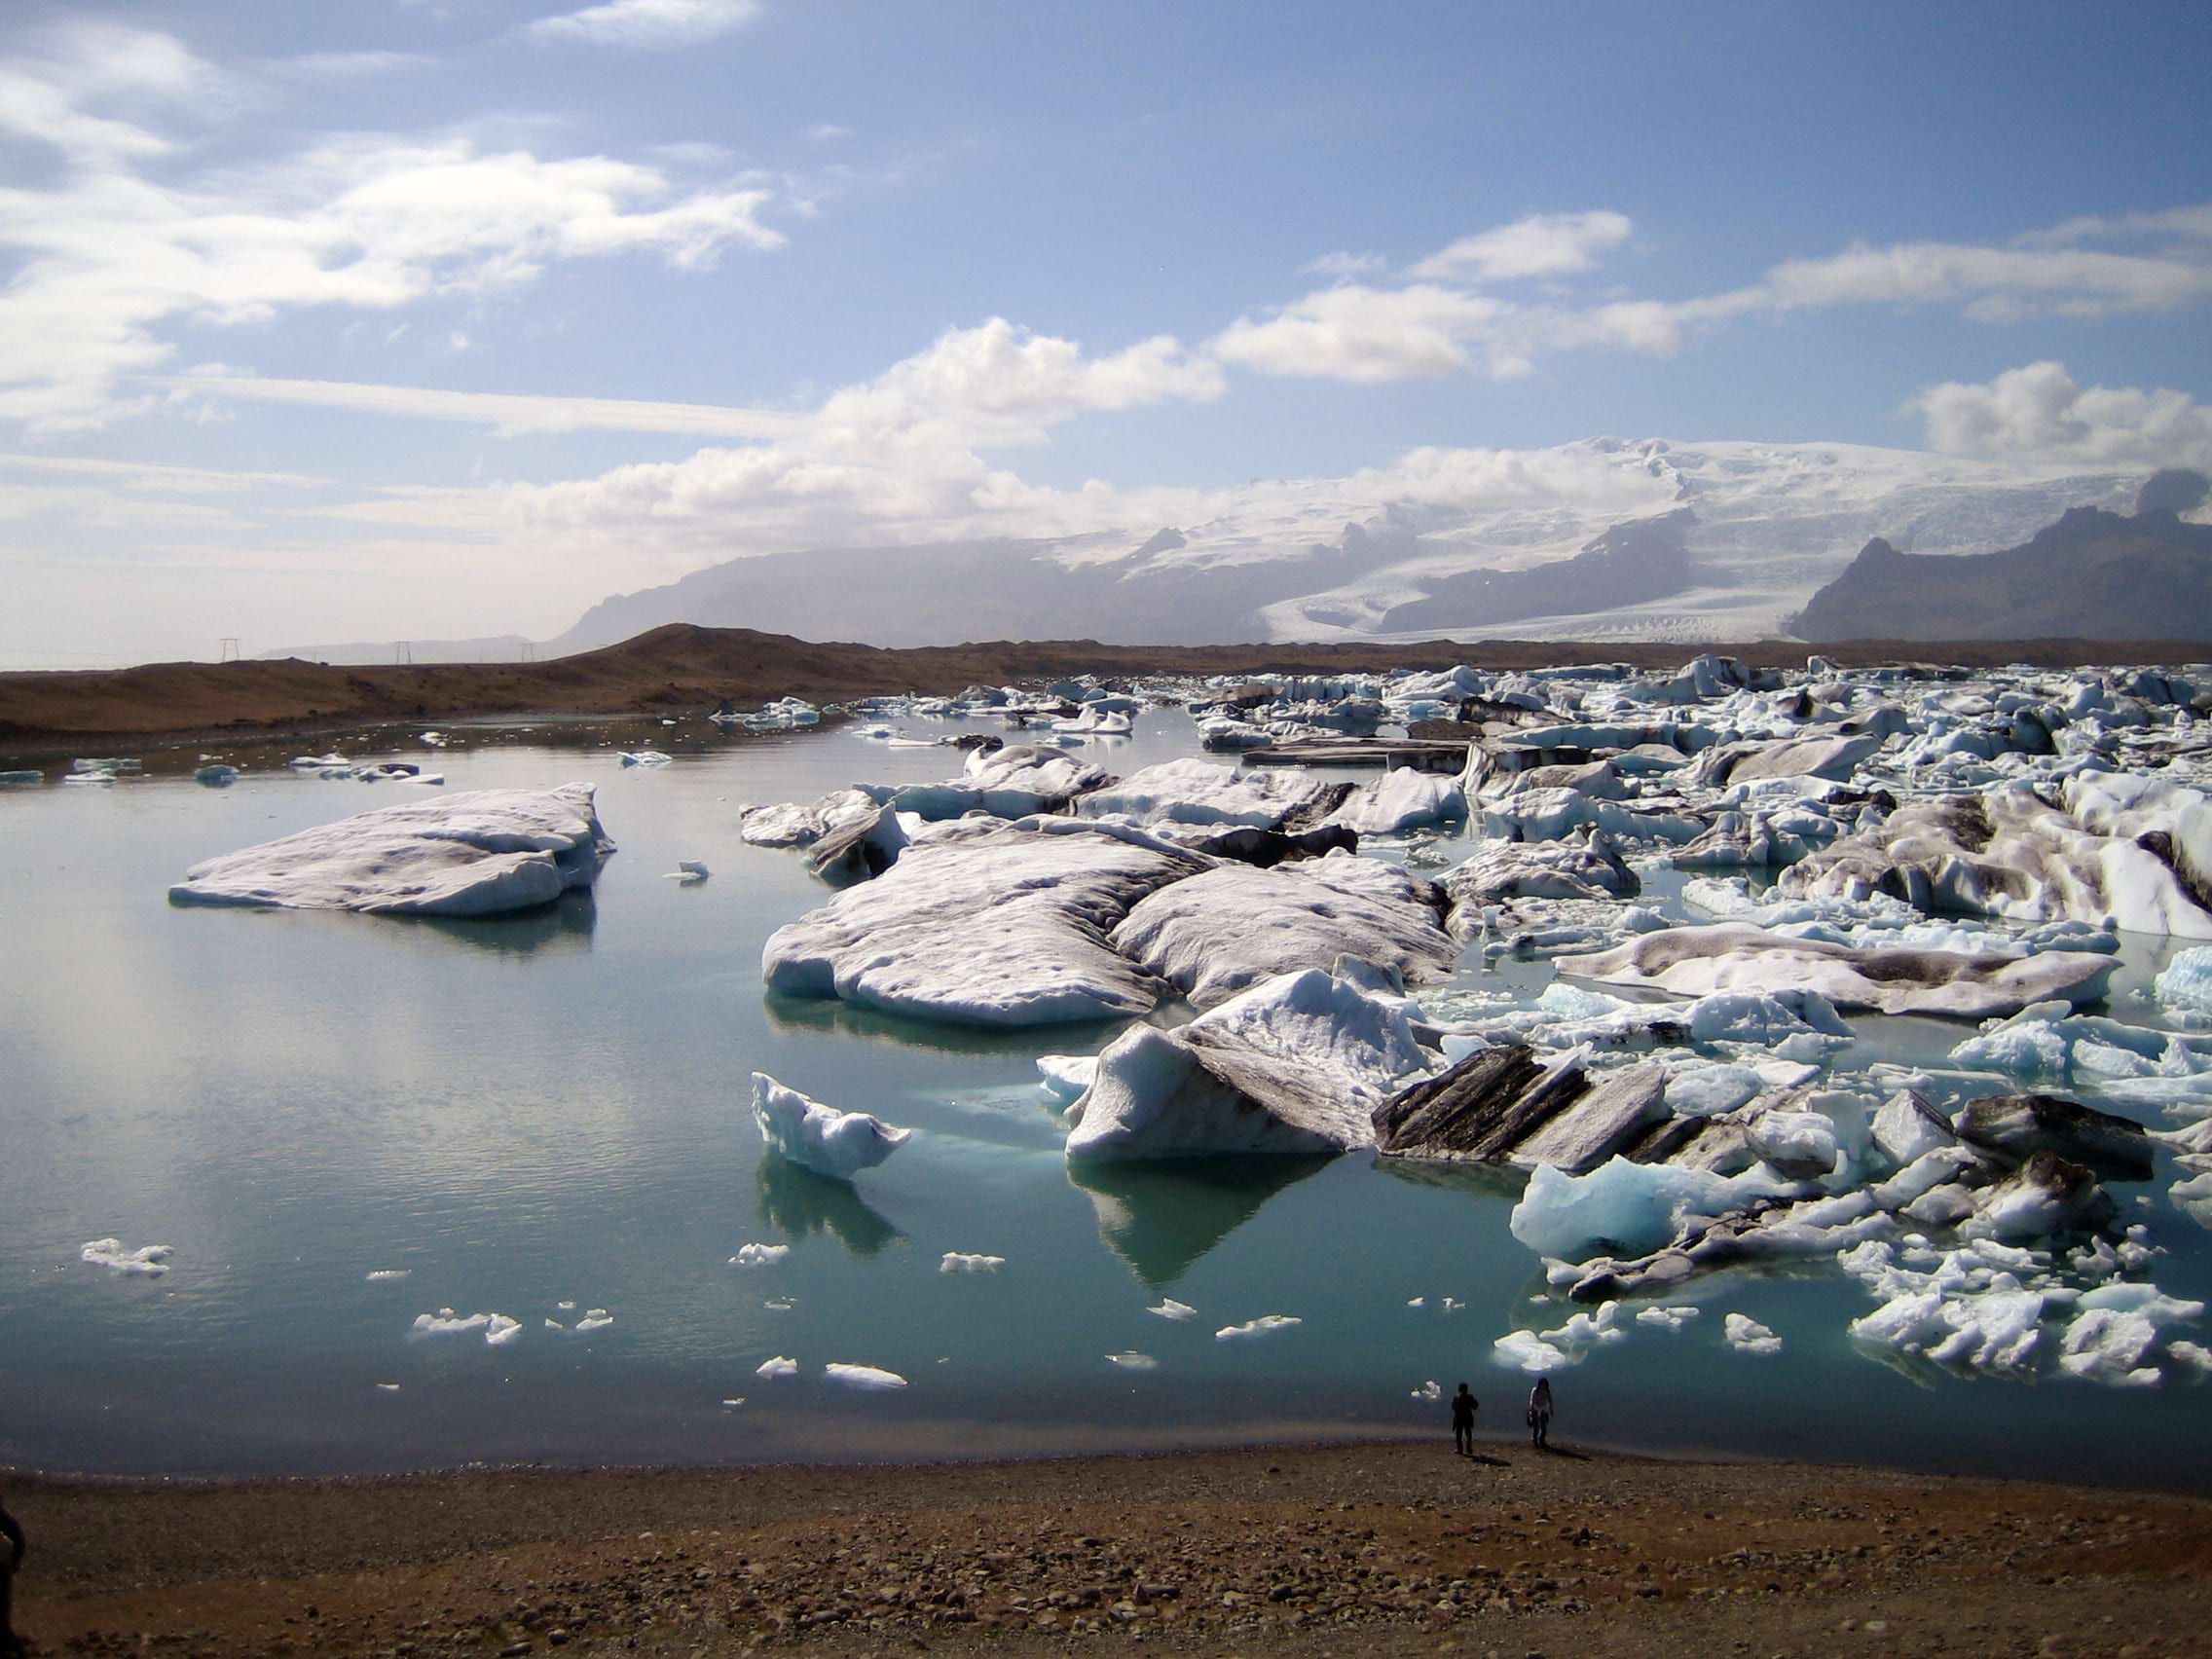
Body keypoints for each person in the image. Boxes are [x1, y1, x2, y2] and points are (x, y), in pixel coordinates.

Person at [0, 1489, 23, 1659]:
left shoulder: (6, 1521)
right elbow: (18, 1541)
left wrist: (14, 1563)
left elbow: (18, 1541)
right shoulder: (7, 1520)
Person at [1450, 1382, 1478, 1456]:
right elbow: (1475, 1406)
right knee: (1468, 1433)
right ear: (1467, 1389)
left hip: (1459, 1417)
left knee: (1458, 1434)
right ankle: (1469, 1447)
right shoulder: (1470, 1397)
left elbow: (1453, 1407)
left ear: (1459, 1389)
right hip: (1468, 1417)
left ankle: (1460, 1450)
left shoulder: (1456, 1397)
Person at [1527, 1377, 1554, 1449]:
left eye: (1544, 1384)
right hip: (1535, 1408)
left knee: (1544, 1427)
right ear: (1539, 1384)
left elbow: (1550, 1400)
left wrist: (1551, 1410)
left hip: (1543, 1409)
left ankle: (1541, 1440)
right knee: (1536, 1427)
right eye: (1541, 1384)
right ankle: (1534, 1440)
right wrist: (1531, 1410)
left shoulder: (1547, 1391)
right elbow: (1532, 1400)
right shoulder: (1535, 1390)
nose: (1543, 1386)